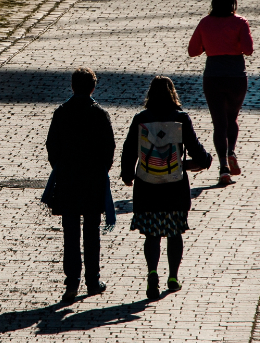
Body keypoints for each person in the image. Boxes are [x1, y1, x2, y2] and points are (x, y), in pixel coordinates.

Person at [121, 76, 212, 300]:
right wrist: (206, 160)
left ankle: (152, 273)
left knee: (152, 234)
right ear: (173, 94)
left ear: (150, 94)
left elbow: (129, 149)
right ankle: (173, 276)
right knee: (174, 232)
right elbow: (196, 150)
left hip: (147, 186)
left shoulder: (140, 119)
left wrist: (127, 174)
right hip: (174, 186)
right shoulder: (180, 119)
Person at [46, 67, 116, 302]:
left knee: (71, 232)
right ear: (93, 88)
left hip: (68, 180)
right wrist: (101, 170)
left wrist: (61, 167)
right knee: (92, 231)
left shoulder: (62, 113)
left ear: (73, 86)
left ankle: (72, 282)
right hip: (92, 181)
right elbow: (109, 149)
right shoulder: (99, 114)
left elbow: (52, 146)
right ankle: (93, 280)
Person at [188, 0, 254, 187]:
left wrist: (210, 44)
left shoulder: (205, 23)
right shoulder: (241, 23)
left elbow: (193, 51)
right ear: (233, 0)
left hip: (213, 76)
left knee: (219, 124)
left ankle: (223, 166)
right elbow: (248, 49)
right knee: (232, 119)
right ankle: (232, 151)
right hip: (236, 76)